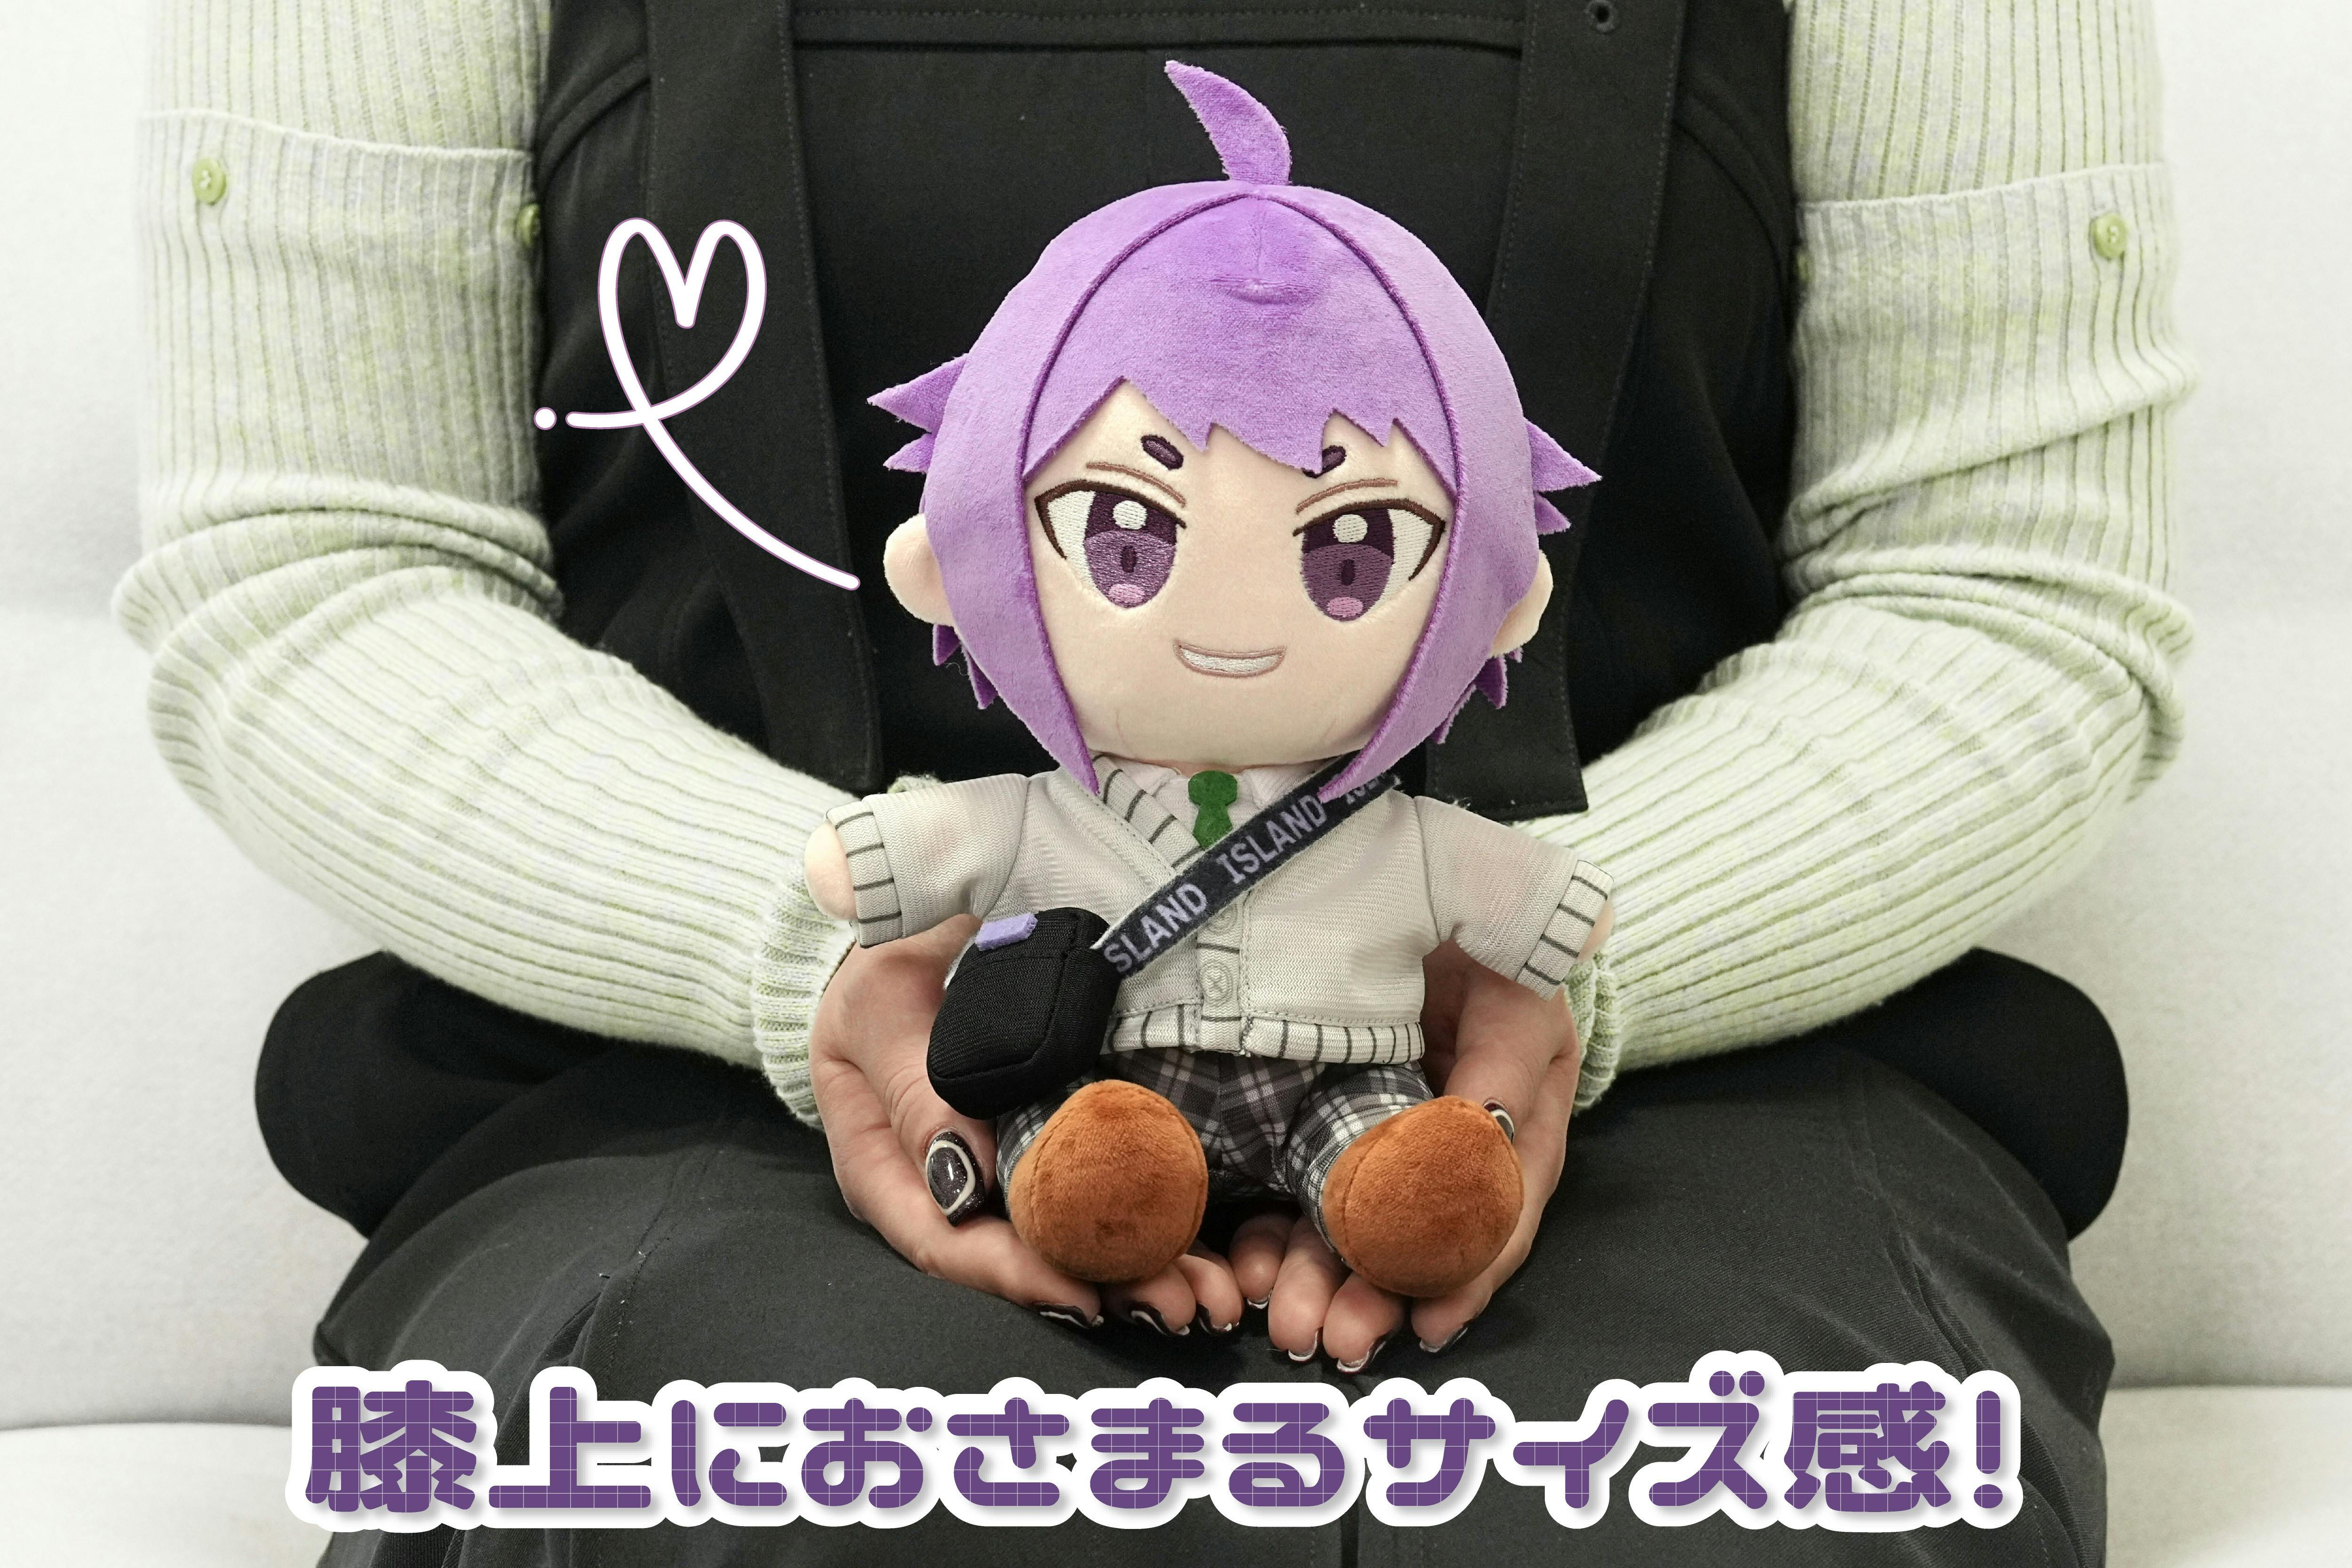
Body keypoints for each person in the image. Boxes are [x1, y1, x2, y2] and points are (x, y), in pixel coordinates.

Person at [121, 0, 2192, 1560]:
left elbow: (2004, 595)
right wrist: (838, 963)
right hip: (716, 1109)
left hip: (1686, 1094)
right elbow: (319, 575)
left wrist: (1520, 968)